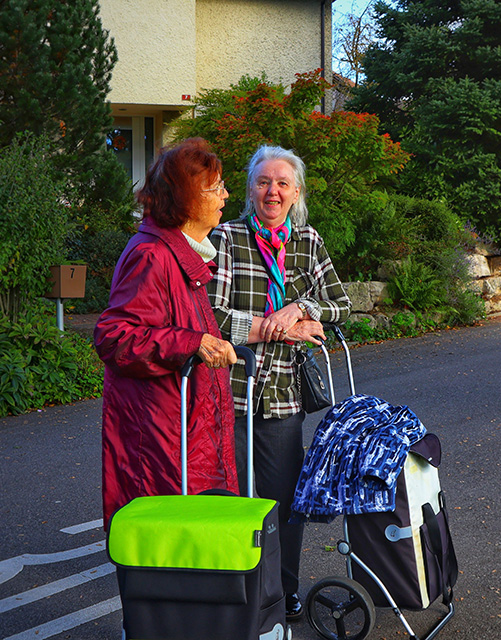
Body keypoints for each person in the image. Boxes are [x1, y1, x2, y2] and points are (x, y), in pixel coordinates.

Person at [208, 145, 351, 619]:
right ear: (250, 189)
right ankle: (239, 595)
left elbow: (341, 305)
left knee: (285, 504)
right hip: (232, 392)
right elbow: (209, 313)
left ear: (296, 193)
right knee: (235, 502)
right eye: (263, 182)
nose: (273, 191)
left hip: (285, 396)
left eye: (282, 183)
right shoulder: (226, 237)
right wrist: (277, 326)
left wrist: (303, 309)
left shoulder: (308, 241)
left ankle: (284, 591)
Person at [94, 138, 239, 529]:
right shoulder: (152, 255)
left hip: (182, 435)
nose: (226, 195)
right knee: (168, 556)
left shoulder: (179, 253)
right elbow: (114, 336)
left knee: (195, 554)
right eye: (216, 187)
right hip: (160, 441)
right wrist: (193, 343)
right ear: (186, 197)